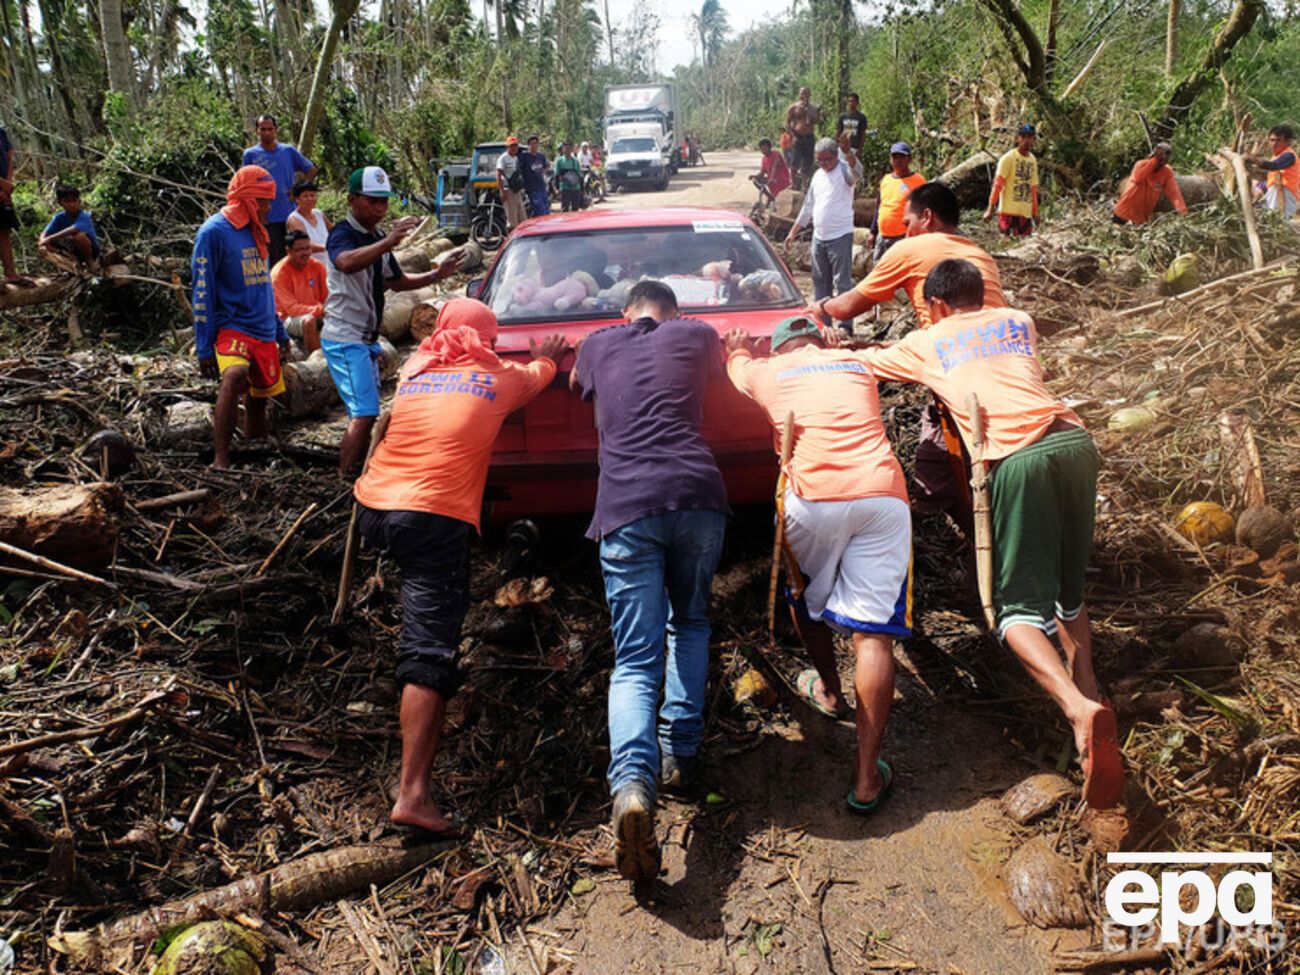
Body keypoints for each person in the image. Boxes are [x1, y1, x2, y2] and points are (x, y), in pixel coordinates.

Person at [858, 259, 1123, 809]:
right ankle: (1090, 688)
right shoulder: (1018, 320)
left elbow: (864, 366)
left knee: (1015, 610)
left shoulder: (927, 340)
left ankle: (1078, 710)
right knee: (1067, 589)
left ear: (934, 305)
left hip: (1018, 458)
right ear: (983, 293)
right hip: (1074, 442)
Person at [354, 299, 565, 834]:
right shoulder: (500, 378)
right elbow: (544, 368)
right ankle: (413, 796)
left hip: (373, 505)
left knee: (420, 603)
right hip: (430, 516)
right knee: (429, 652)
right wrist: (545, 355)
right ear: (488, 340)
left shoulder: (416, 369)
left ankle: (407, 674)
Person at [570, 280, 730, 882]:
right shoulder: (697, 335)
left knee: (636, 660)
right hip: (699, 497)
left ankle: (634, 784)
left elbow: (577, 384)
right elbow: (721, 365)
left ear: (625, 312)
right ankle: (680, 755)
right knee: (689, 621)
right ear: (674, 313)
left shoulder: (597, 343)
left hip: (627, 507)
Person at [724, 316, 911, 815]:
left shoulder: (766, 370)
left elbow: (736, 363)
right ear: (819, 341)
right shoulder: (854, 362)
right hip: (881, 494)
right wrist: (840, 347)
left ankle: (829, 691)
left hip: (811, 500)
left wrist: (738, 348)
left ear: (781, 349)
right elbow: (882, 353)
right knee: (873, 634)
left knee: (805, 598)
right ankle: (867, 776)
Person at [813, 182, 1005, 518]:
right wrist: (873, 345)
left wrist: (820, 306)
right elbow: (955, 335)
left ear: (927, 217)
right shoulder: (979, 253)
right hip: (1001, 371)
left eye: (907, 223)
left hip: (956, 378)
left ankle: (970, 531)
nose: (905, 233)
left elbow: (845, 308)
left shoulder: (910, 249)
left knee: (939, 475)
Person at [321, 166, 465, 476]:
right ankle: (345, 478)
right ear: (352, 200)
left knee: (366, 413)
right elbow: (345, 262)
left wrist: (436, 275)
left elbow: (396, 281)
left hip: (366, 338)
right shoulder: (342, 235)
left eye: (384, 201)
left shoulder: (377, 237)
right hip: (345, 337)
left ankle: (358, 471)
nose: (380, 208)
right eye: (373, 201)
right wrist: (388, 243)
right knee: (364, 413)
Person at [192, 166, 288, 470]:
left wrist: (280, 331)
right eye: (264, 201)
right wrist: (204, 346)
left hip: (263, 327)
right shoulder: (213, 233)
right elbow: (202, 290)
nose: (269, 207)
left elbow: (265, 286)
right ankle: (221, 458)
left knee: (259, 398)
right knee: (234, 376)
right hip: (231, 325)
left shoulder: (258, 231)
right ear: (248, 200)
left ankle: (253, 456)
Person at [785, 136, 862, 336]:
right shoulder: (818, 176)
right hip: (819, 238)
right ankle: (823, 325)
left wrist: (849, 153)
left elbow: (857, 174)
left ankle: (845, 326)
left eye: (828, 159)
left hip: (840, 235)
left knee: (842, 283)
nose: (824, 163)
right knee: (820, 282)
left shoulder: (844, 170)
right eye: (820, 160)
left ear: (836, 155)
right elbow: (808, 206)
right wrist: (793, 231)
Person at [242, 114, 317, 267]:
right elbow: (246, 183)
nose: (267, 133)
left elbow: (310, 170)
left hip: (290, 215)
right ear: (257, 131)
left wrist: (298, 191)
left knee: (297, 255)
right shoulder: (250, 155)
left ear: (276, 130)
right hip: (266, 218)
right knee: (275, 260)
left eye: (270, 129)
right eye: (263, 129)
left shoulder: (287, 151)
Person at [272, 229, 328, 352]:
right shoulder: (279, 274)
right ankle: (317, 358)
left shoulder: (318, 266)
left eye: (308, 248)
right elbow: (291, 309)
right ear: (288, 251)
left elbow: (327, 297)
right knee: (309, 321)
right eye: (300, 250)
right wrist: (320, 309)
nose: (305, 253)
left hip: (317, 312)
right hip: (288, 318)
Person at [869, 142, 924, 261]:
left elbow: (923, 210)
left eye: (902, 157)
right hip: (883, 236)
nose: (898, 161)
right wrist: (873, 232)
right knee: (879, 268)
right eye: (895, 157)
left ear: (909, 158)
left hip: (904, 237)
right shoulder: (886, 180)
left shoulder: (918, 181)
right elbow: (879, 207)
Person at [1111, 142, 1187, 226]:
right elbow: (1138, 178)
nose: (1162, 163)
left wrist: (1182, 211)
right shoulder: (1141, 165)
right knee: (1116, 231)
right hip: (1125, 210)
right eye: (1160, 158)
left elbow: (1174, 194)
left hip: (1141, 217)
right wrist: (1154, 161)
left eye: (1165, 160)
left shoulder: (1167, 172)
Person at [983, 123, 1039, 236]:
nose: (1026, 140)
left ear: (1034, 139)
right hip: (1008, 214)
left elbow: (1033, 188)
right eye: (1023, 137)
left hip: (1025, 214)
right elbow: (998, 185)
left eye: (1030, 137)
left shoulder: (1032, 160)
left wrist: (1035, 212)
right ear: (1018, 138)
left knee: (1024, 245)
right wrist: (990, 209)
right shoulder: (1008, 158)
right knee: (1007, 243)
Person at [38, 186, 101, 268]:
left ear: (79, 202)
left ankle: (89, 260)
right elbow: (44, 233)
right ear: (60, 203)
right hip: (69, 250)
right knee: (46, 244)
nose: (71, 204)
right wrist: (42, 243)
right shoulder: (59, 218)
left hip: (91, 250)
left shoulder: (84, 216)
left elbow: (74, 229)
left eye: (74, 201)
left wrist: (49, 238)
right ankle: (68, 258)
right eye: (66, 201)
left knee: (79, 236)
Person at [1247, 125, 1299, 220]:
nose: (1274, 144)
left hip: (1284, 196)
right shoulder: (1277, 156)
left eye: (1278, 140)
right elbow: (1272, 179)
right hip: (1276, 194)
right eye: (1272, 140)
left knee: (1281, 222)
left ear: (1287, 142)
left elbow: (1274, 165)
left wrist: (1253, 160)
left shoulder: (1289, 155)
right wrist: (1262, 188)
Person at [0, 123, 27, 283]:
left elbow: (9, 156)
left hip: (4, 191)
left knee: (3, 231)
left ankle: (10, 273)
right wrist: (3, 184)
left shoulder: (1, 133)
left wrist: (8, 185)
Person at [785, 86, 822, 189]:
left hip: (809, 137)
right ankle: (792, 183)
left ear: (810, 95)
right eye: (802, 93)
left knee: (808, 160)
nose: (804, 95)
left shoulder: (813, 108)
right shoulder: (793, 108)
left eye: (806, 93)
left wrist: (810, 114)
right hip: (797, 137)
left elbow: (817, 121)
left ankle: (804, 184)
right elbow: (787, 124)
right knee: (795, 160)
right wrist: (793, 136)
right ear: (799, 94)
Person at [286, 182, 332, 253]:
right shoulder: (294, 219)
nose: (310, 199)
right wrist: (329, 247)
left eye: (312, 195)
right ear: (297, 199)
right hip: (308, 259)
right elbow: (303, 244)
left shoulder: (318, 214)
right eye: (305, 196)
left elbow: (334, 231)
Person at [496, 136, 527, 230]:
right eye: (512, 146)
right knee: (512, 220)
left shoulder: (516, 158)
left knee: (522, 217)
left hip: (516, 190)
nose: (514, 148)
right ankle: (511, 237)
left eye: (515, 145)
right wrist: (502, 191)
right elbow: (498, 175)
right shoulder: (503, 158)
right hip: (508, 190)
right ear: (507, 147)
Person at [751, 138, 791, 206]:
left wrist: (771, 178)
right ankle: (770, 197)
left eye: (765, 148)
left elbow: (774, 167)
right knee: (755, 180)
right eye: (761, 149)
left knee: (779, 205)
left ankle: (774, 198)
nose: (763, 151)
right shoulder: (764, 159)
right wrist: (754, 176)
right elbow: (762, 172)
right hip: (772, 180)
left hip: (782, 180)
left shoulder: (776, 154)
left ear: (770, 147)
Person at [519, 135, 551, 217]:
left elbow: (546, 166)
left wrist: (543, 174)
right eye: (532, 143)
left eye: (536, 143)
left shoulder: (541, 156)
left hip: (541, 187)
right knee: (540, 210)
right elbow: (519, 169)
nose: (534, 145)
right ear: (528, 145)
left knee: (546, 210)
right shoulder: (524, 156)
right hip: (531, 188)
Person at [556, 142, 583, 212]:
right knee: (565, 209)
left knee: (575, 209)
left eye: (569, 148)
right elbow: (557, 175)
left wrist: (582, 189)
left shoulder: (575, 161)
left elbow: (579, 175)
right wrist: (557, 188)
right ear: (563, 150)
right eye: (565, 148)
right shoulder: (559, 161)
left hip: (575, 188)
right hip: (565, 188)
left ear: (572, 150)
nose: (567, 150)